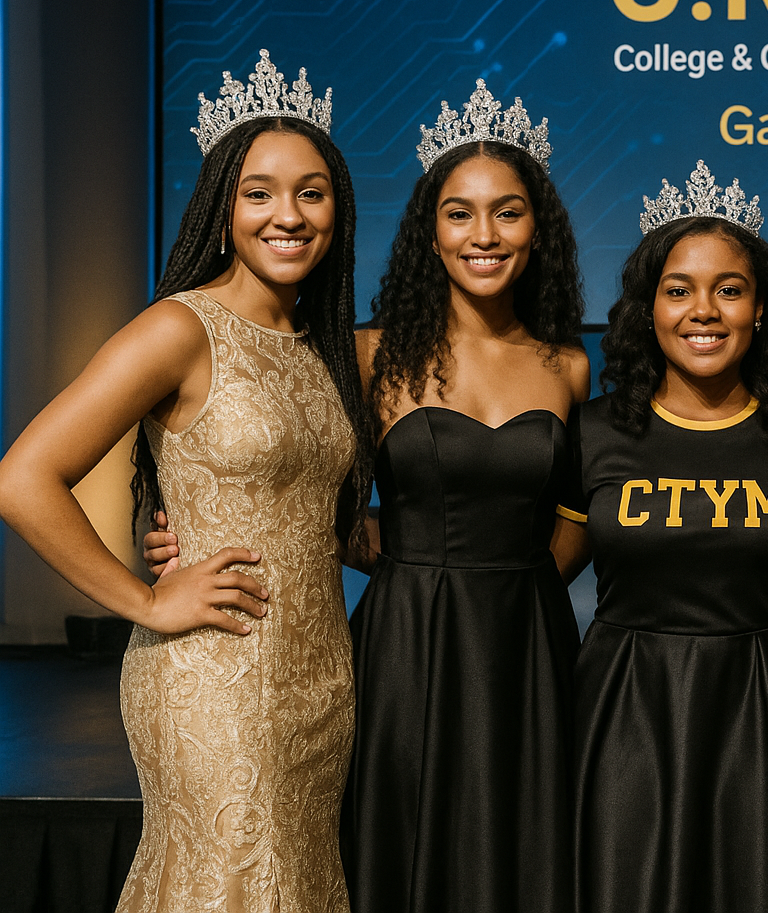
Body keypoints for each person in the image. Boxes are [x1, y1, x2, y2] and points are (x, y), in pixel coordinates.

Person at [145, 82, 591, 912]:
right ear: (429, 230)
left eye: (508, 212)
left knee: (524, 852)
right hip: (405, 642)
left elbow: (573, 520)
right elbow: (299, 486)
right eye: (459, 213)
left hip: (528, 644)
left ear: (541, 229)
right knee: (398, 847)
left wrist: (514, 580)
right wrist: (175, 537)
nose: (484, 235)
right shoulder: (362, 353)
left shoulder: (567, 365)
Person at [0, 50, 371, 911]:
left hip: (319, 682)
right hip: (214, 676)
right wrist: (146, 599)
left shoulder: (324, 346)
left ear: (338, 208)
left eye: (310, 193)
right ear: (222, 210)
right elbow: (23, 478)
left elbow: (311, 512)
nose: (289, 215)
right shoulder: (179, 328)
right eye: (259, 193)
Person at [555, 161, 768, 913]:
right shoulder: (593, 430)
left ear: (762, 312)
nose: (705, 311)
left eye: (730, 289)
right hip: (627, 710)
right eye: (679, 290)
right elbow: (536, 570)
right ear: (647, 309)